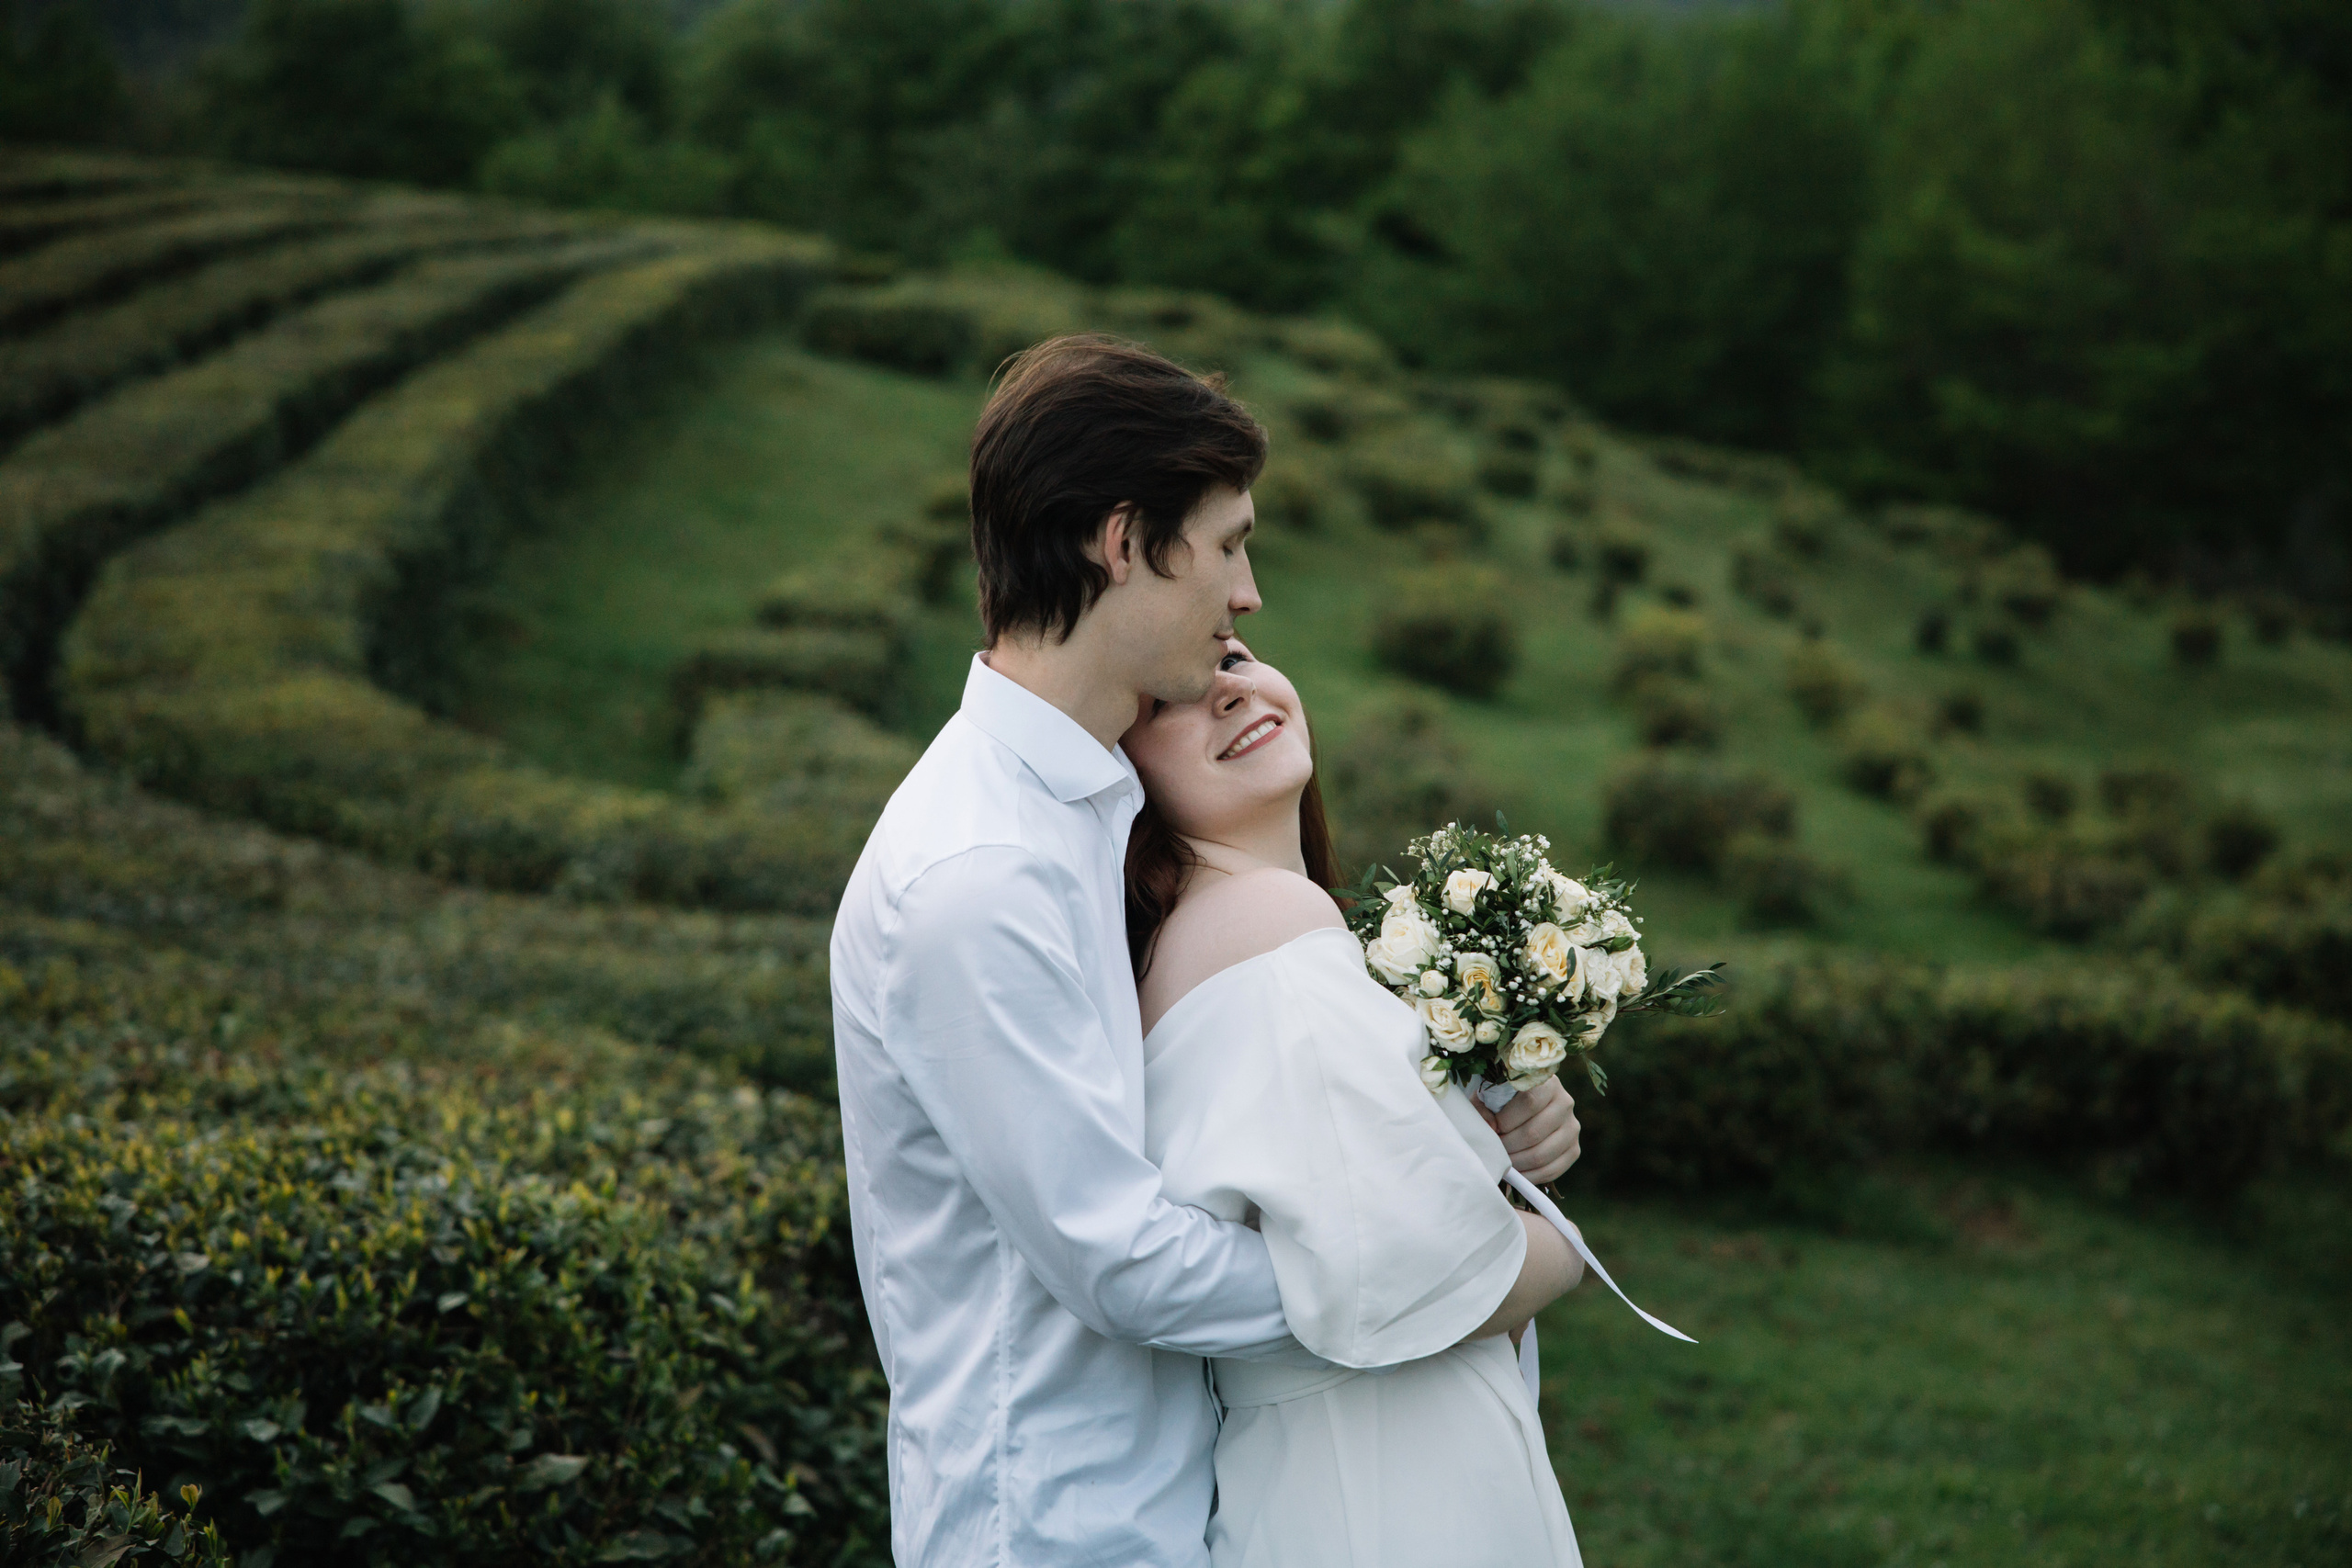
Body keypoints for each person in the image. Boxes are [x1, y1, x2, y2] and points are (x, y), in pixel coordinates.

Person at [830, 334, 1582, 1567]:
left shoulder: (1103, 811)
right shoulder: (975, 871)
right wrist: (1446, 1266)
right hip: (1062, 1525)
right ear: (1122, 541)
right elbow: (1123, 1260)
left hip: (1196, 1494)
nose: (1249, 594)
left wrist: (1478, 1101)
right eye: (1229, 543)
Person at [1125, 643, 1587, 1567]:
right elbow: (1432, 1273)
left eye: (1234, 654)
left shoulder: (1259, 928)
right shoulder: (1261, 928)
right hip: (1380, 1484)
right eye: (1172, 696)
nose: (1226, 688)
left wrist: (1506, 1129)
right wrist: (1559, 1243)